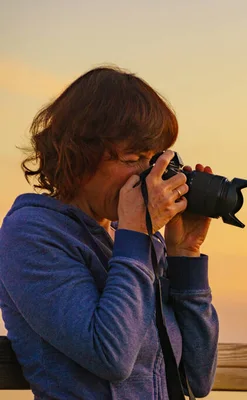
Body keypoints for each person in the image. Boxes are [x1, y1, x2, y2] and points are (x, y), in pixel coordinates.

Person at [0, 65, 219, 399]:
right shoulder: (31, 234)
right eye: (133, 158)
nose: (148, 177)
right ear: (79, 154)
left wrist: (185, 255)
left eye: (152, 159)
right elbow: (111, 357)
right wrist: (136, 234)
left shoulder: (137, 238)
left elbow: (197, 378)